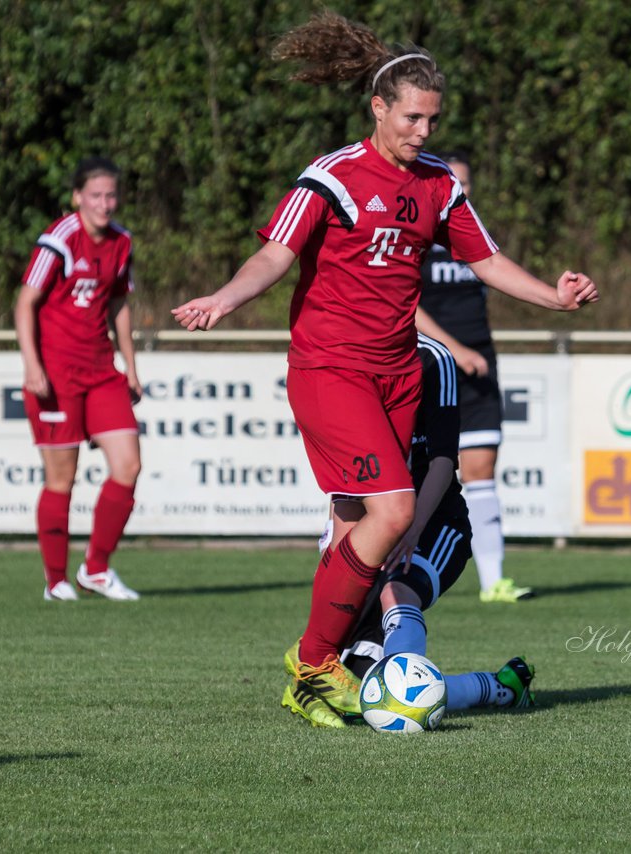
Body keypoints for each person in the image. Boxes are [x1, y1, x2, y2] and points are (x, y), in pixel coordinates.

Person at [172, 12, 598, 728]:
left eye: (433, 119)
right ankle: (312, 663)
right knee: (393, 511)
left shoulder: (437, 186)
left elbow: (485, 261)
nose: (424, 132)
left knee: (349, 523)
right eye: (412, 117)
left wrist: (553, 297)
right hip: (330, 366)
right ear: (378, 107)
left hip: (398, 371)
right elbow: (276, 255)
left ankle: (325, 671)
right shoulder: (333, 177)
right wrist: (226, 296)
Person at [293, 334, 536, 719]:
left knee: (396, 591)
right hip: (378, 525)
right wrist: (334, 538)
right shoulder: (342, 354)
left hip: (436, 521)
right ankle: (500, 687)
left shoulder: (434, 358)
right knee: (363, 687)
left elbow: (443, 459)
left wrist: (411, 525)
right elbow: (348, 474)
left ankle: (462, 695)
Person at [14, 156, 142, 603]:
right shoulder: (59, 239)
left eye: (111, 195)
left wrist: (130, 365)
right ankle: (56, 581)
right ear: (77, 198)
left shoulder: (121, 241)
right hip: (56, 375)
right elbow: (25, 302)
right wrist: (32, 365)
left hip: (102, 372)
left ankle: (96, 569)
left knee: (128, 466)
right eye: (95, 196)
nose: (105, 204)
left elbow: (119, 305)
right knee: (61, 479)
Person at [414, 153, 528, 604]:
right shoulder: (416, 239)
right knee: (417, 473)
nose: (460, 191)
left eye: (466, 184)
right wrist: (454, 350)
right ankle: (398, 564)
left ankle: (493, 581)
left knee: (481, 470)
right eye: (452, 182)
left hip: (479, 369)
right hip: (432, 366)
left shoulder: (476, 240)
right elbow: (406, 306)